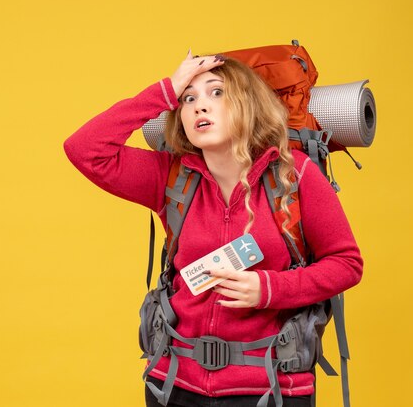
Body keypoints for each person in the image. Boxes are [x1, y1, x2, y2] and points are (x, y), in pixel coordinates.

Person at [63, 50, 363, 407]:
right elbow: (83, 149)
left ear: (249, 104)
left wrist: (268, 288)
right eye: (188, 98)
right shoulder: (170, 177)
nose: (199, 106)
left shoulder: (294, 175)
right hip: (174, 385)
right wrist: (164, 92)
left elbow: (347, 263)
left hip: (270, 387)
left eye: (217, 92)